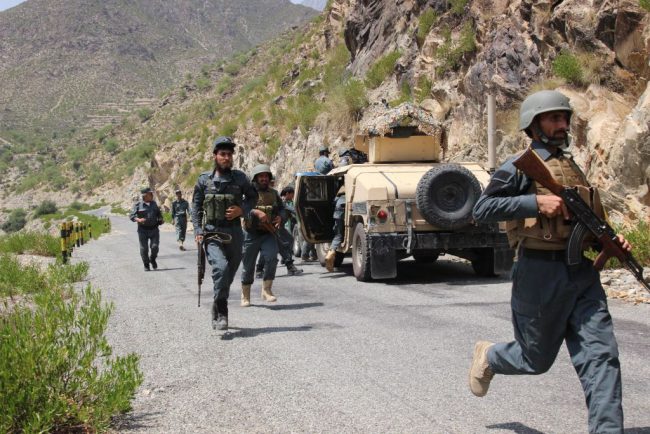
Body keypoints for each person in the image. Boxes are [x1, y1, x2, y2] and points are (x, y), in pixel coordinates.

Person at [469, 90, 632, 433]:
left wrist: (612, 240)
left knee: (601, 357)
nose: (562, 124)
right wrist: (533, 203)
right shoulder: (518, 166)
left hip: (581, 273)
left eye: (564, 118)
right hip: (539, 273)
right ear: (534, 124)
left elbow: (586, 219)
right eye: (554, 118)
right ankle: (491, 356)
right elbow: (481, 210)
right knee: (535, 359)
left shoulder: (571, 167)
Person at [191, 136, 259, 331]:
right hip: (212, 233)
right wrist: (197, 229)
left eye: (229, 154)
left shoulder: (240, 178)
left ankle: (217, 300)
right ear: (215, 156)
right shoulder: (204, 180)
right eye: (223, 154)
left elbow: (253, 197)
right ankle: (222, 311)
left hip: (235, 233)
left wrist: (242, 210)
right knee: (220, 269)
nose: (226, 157)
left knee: (228, 274)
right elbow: (195, 206)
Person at [240, 164, 286, 306]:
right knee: (248, 266)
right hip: (251, 234)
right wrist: (256, 212)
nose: (264, 179)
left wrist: (280, 217)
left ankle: (266, 290)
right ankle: (245, 295)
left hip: (268, 233)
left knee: (272, 259)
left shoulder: (274, 194)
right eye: (261, 176)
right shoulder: (248, 195)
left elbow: (282, 209)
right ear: (255, 178)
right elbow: (241, 209)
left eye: (266, 176)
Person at [255, 186, 303, 277]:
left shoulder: (278, 198)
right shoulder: (280, 200)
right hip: (269, 228)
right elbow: (290, 209)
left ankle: (289, 266)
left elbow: (285, 211)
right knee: (273, 247)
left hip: (275, 228)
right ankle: (259, 269)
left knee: (283, 244)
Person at [129, 187, 163, 271]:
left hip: (154, 229)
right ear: (145, 195)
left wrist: (161, 219)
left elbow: (159, 214)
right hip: (142, 230)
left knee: (155, 247)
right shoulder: (137, 205)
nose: (152, 195)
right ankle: (146, 264)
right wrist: (139, 220)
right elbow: (131, 216)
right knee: (144, 249)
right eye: (150, 194)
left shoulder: (154, 204)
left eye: (151, 193)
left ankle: (152, 259)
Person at [324, 185, 345, 272]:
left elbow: (333, 203)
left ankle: (331, 251)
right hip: (345, 214)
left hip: (337, 215)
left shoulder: (339, 196)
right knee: (341, 235)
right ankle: (331, 254)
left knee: (338, 235)